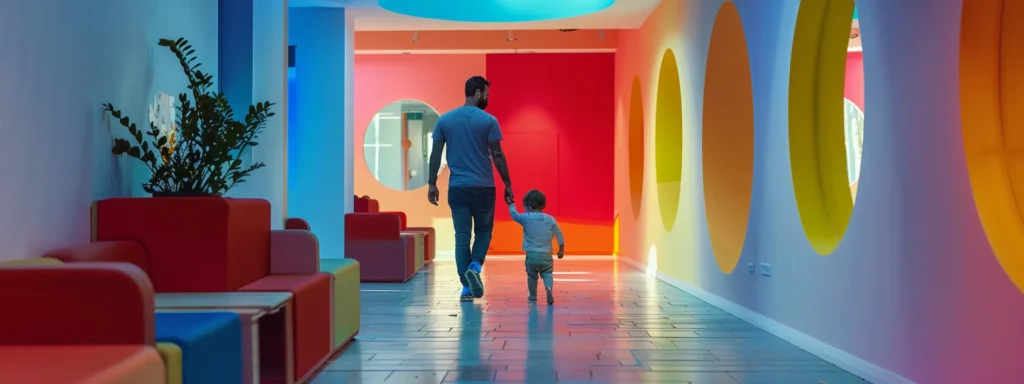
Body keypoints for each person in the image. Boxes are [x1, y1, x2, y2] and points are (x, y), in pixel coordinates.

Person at [427, 75, 514, 301]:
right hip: (484, 188)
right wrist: (508, 184)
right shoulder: (488, 120)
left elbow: (436, 154)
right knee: (484, 231)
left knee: (462, 236)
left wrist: (432, 183)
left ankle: (466, 288)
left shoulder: (445, 120)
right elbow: (497, 155)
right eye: (486, 93)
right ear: (477, 93)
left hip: (458, 188)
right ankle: (474, 267)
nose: (487, 97)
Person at [509, 190, 564, 305]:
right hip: (546, 255)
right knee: (547, 273)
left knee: (532, 275)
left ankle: (533, 296)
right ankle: (548, 287)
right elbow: (559, 234)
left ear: (528, 205)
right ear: (543, 205)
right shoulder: (550, 219)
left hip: (531, 255)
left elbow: (514, 215)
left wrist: (511, 203)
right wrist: (561, 249)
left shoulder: (526, 217)